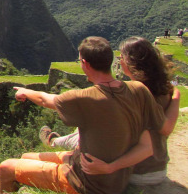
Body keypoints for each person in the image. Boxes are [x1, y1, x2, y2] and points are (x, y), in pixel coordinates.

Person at [0, 36, 166, 194]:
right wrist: (114, 168)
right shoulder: (139, 90)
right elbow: (149, 146)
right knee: (27, 156)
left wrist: (108, 167)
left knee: (6, 167)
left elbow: (46, 100)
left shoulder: (86, 97)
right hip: (112, 175)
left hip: (90, 182)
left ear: (85, 63)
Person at [40, 36, 180, 185]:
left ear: (132, 63)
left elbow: (153, 141)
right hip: (159, 169)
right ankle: (55, 141)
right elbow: (165, 128)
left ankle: (54, 142)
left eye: (122, 57)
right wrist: (176, 97)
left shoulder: (137, 94)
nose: (119, 61)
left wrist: (110, 167)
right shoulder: (164, 90)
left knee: (89, 130)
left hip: (135, 172)